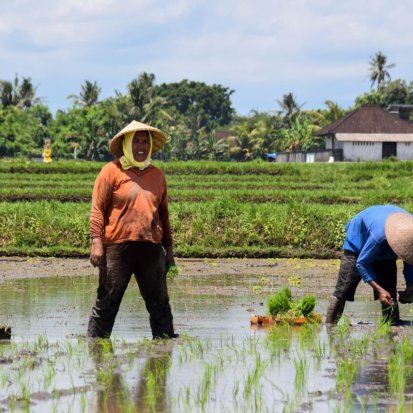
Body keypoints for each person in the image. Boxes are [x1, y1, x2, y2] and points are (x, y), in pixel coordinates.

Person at [87, 120, 178, 339]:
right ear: (126, 144)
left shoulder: (158, 176)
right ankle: (96, 344)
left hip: (151, 246)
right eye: (135, 141)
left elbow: (164, 215)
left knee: (159, 301)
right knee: (108, 298)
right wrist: (97, 242)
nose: (141, 146)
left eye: (145, 142)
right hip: (118, 247)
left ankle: (164, 345)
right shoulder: (111, 171)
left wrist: (169, 250)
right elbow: (98, 209)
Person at [325, 205, 413, 326]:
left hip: (386, 245)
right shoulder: (379, 236)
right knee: (344, 287)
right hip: (359, 243)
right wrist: (379, 290)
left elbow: (410, 259)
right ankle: (330, 325)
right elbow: (362, 263)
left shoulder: (410, 229)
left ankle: (392, 323)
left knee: (389, 290)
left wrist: (410, 285)